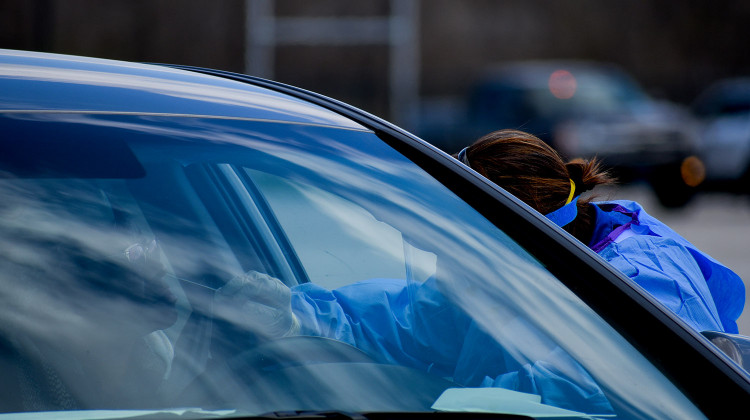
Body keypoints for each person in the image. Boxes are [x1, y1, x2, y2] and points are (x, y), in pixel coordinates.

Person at [454, 128, 745, 334]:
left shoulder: (644, 280)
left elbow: (622, 391)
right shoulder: (551, 257)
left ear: (525, 226)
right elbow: (427, 328)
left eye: (476, 232)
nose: (467, 247)